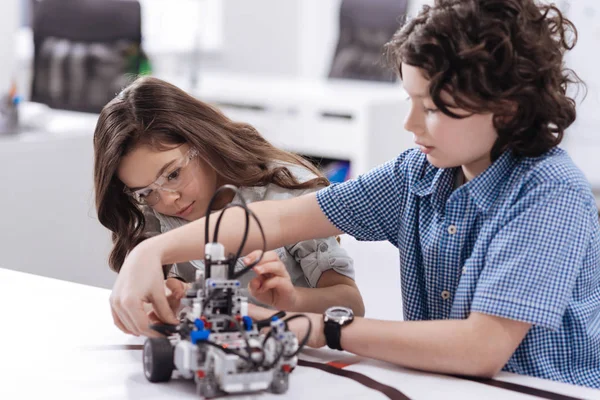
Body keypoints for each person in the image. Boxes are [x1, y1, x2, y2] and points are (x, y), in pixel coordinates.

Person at [107, 0, 600, 388]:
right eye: (409, 101)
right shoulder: (418, 175)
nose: (409, 124)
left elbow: (480, 348)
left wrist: (318, 327)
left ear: (506, 108)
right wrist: (154, 250)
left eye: (430, 108)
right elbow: (275, 220)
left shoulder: (548, 196)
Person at [93, 76, 365, 324]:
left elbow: (352, 305)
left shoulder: (284, 189)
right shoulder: (153, 208)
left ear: (201, 140)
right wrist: (170, 294)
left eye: (173, 174)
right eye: (145, 192)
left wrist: (293, 300)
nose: (169, 199)